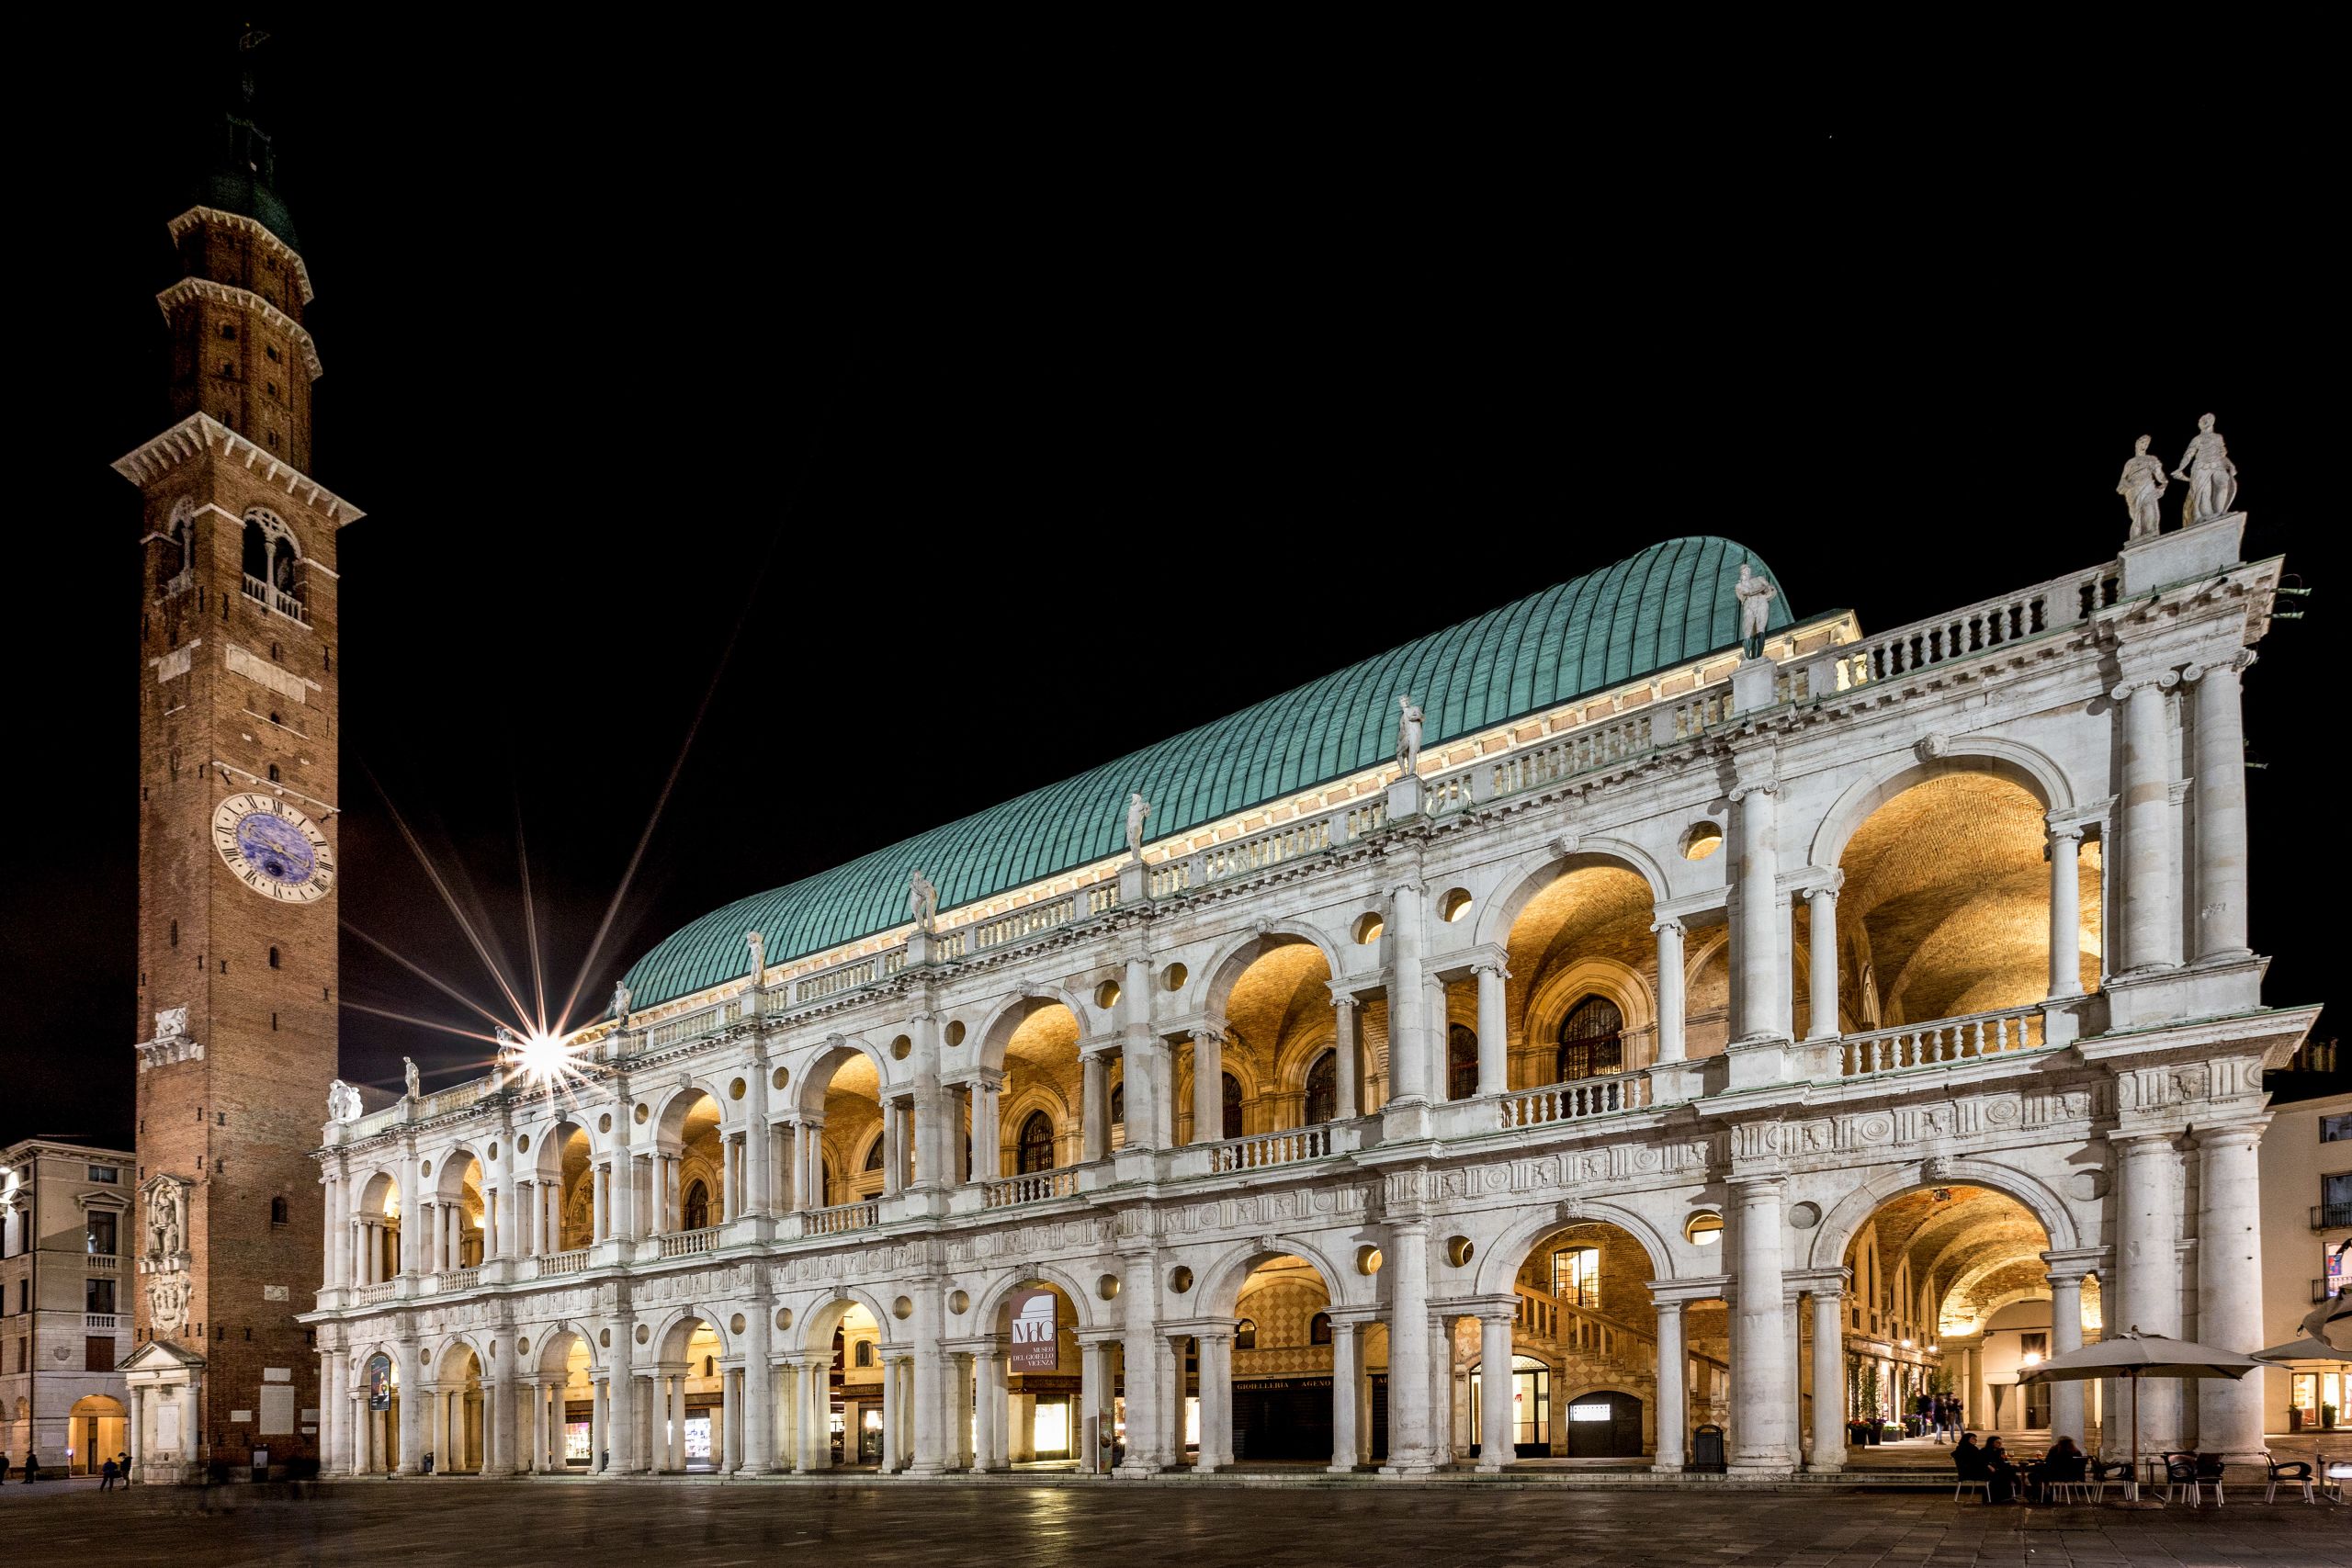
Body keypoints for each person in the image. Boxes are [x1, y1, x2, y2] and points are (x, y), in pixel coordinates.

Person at [2026, 1436, 2086, 1501]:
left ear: (2059, 1443)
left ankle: (2042, 1494)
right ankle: (2043, 1494)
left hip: (2055, 1475)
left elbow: (2048, 1463)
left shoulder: (2055, 1451)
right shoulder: (2076, 1452)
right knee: (2038, 1475)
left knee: (2032, 1475)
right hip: (2072, 1476)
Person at [1983, 1435, 2020, 1503]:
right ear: (1991, 1443)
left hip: (1999, 1469)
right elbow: (1981, 1461)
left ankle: (2007, 1495)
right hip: (1989, 1471)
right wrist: (1989, 1466)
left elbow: (2004, 1462)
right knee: (2008, 1473)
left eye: (2001, 1442)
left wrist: (2004, 1459)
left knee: (2011, 1470)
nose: (2000, 1444)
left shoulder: (2001, 1450)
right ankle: (2019, 1490)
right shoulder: (1984, 1450)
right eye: (1997, 1442)